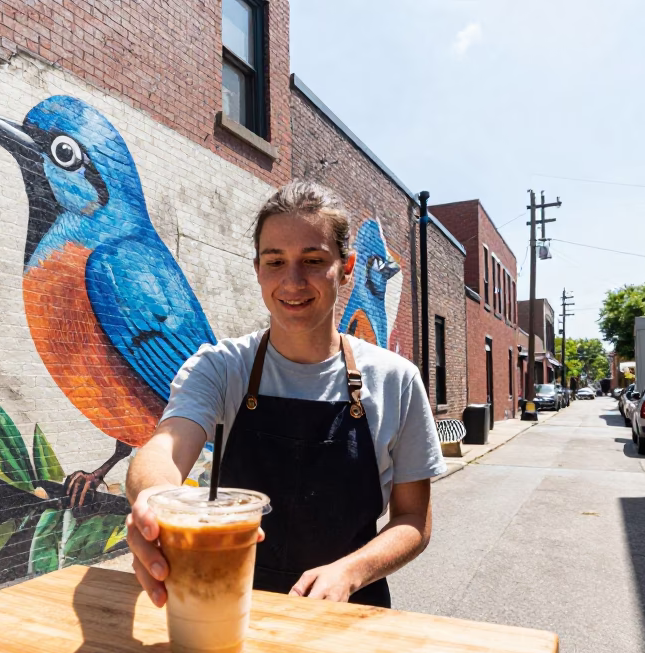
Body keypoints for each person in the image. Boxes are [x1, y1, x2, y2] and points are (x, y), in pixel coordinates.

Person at [124, 181, 445, 609]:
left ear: (346, 267)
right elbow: (165, 448)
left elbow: (413, 520)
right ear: (258, 268)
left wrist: (350, 572)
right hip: (231, 604)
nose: (292, 281)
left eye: (313, 260)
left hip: (350, 613)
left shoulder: (395, 380)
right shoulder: (221, 367)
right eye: (275, 261)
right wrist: (153, 500)